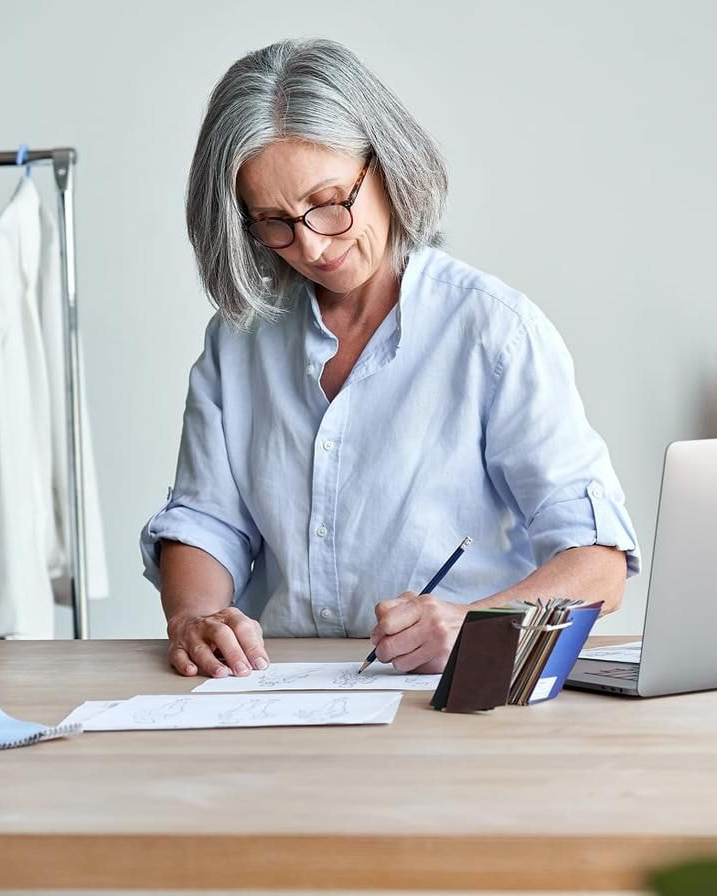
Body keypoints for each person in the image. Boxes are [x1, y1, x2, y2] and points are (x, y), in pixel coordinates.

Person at [140, 38, 640, 678]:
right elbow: (208, 521)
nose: (313, 246)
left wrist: (475, 628)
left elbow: (598, 562)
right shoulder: (239, 339)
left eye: (328, 203)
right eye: (275, 222)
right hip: (279, 692)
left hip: (450, 700)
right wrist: (194, 617)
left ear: (386, 163)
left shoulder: (495, 333)